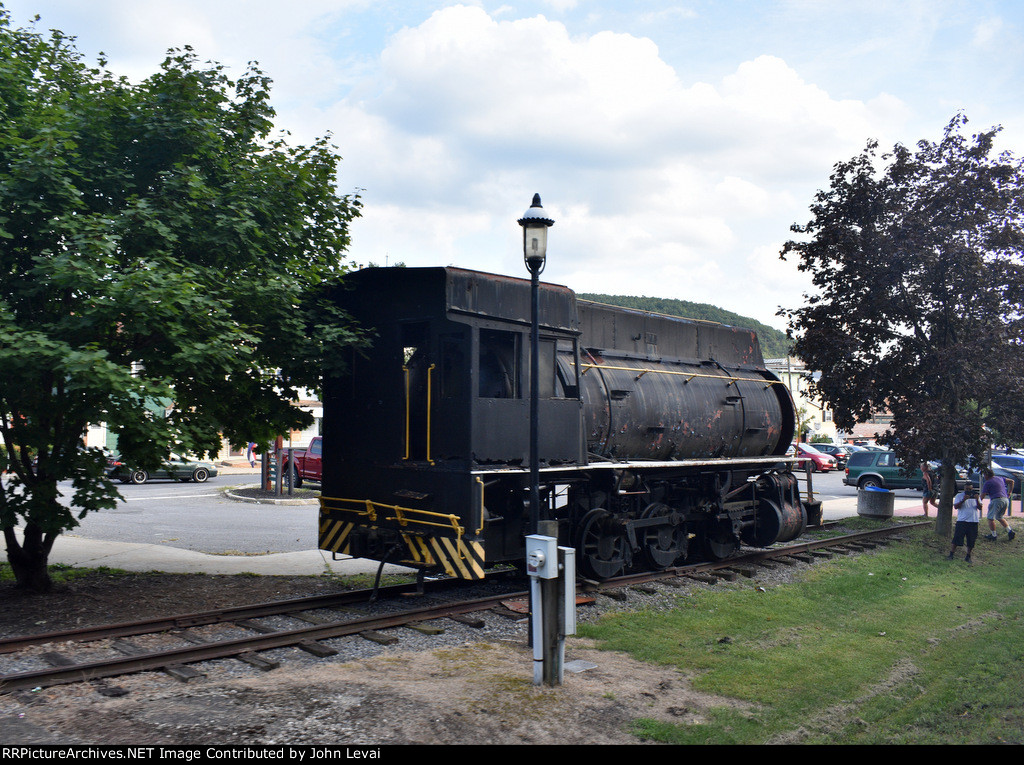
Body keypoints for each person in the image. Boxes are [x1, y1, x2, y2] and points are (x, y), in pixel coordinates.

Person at [979, 468, 1016, 541]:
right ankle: (1010, 531)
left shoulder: (988, 482)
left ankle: (993, 535)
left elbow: (983, 495)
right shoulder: (1000, 478)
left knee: (990, 518)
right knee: (999, 516)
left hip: (996, 500)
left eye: (984, 475)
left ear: (987, 475)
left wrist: (978, 502)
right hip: (1005, 499)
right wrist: (1009, 492)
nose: (984, 477)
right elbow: (1012, 481)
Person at [948, 483, 981, 562]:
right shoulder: (959, 496)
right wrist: (963, 500)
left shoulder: (976, 496)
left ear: (972, 489)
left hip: (973, 520)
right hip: (962, 520)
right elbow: (956, 507)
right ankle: (951, 554)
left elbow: (980, 507)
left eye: (970, 489)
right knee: (957, 538)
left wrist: (977, 499)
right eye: (967, 489)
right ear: (964, 489)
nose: (968, 491)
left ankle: (968, 556)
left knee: (971, 540)